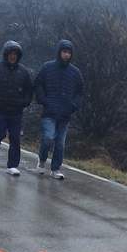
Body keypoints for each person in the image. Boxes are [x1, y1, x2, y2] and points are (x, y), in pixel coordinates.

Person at [0, 40, 35, 176]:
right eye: (10, 53)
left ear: (18, 55)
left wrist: (25, 102)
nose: (13, 56)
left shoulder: (23, 71)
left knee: (15, 138)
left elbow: (29, 89)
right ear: (6, 54)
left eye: (15, 54)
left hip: (16, 111)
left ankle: (12, 165)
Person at [33, 38, 85, 180]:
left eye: (69, 52)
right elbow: (38, 84)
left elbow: (80, 92)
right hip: (49, 112)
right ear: (59, 52)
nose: (66, 55)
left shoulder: (75, 72)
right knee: (48, 138)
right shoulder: (47, 67)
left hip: (65, 114)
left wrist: (73, 106)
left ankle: (55, 168)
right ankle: (42, 161)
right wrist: (44, 100)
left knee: (60, 143)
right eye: (64, 52)